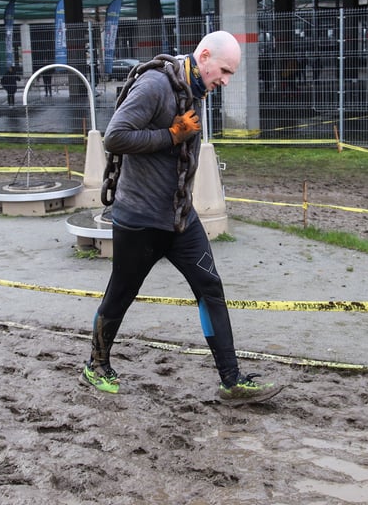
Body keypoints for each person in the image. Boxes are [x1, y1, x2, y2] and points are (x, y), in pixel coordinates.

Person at [80, 30, 283, 405]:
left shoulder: (196, 89)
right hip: (139, 219)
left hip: (180, 219)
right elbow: (115, 137)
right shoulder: (156, 84)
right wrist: (172, 135)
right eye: (223, 71)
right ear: (204, 56)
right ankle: (96, 364)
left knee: (211, 288)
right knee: (121, 294)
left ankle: (231, 381)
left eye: (230, 74)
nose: (224, 80)